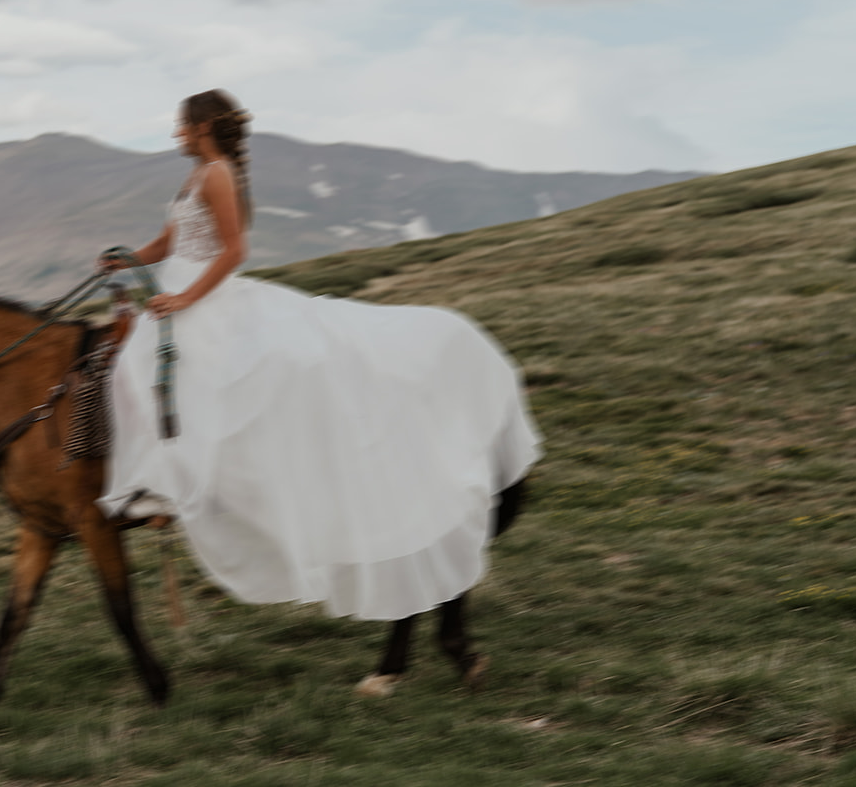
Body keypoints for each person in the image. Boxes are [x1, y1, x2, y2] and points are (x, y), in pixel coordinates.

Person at [98, 90, 541, 621]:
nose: (175, 134)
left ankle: (172, 491)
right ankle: (157, 486)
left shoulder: (218, 175)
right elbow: (169, 243)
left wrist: (188, 298)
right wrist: (123, 261)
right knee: (132, 371)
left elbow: (235, 252)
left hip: (203, 299)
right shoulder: (195, 177)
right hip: (177, 294)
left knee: (202, 386)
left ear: (202, 128)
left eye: (181, 126)